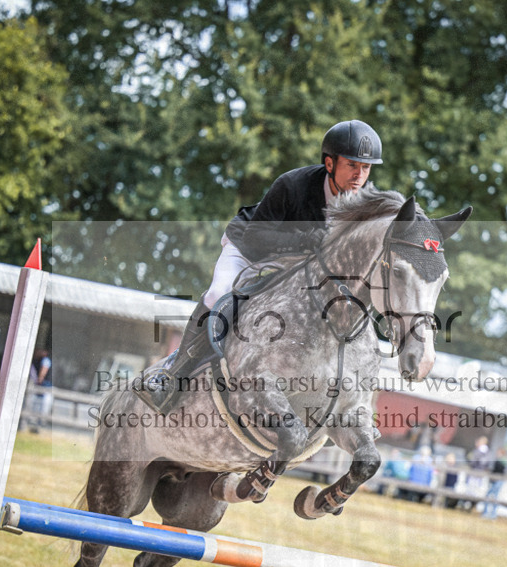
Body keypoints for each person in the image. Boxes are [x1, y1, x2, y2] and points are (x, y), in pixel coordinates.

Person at [141, 120, 384, 414]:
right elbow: (255, 237)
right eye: (352, 165)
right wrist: (304, 238)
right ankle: (172, 374)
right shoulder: (293, 185)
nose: (359, 175)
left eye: (366, 168)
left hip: (294, 268)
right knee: (217, 294)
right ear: (330, 163)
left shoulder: (365, 207)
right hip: (248, 248)